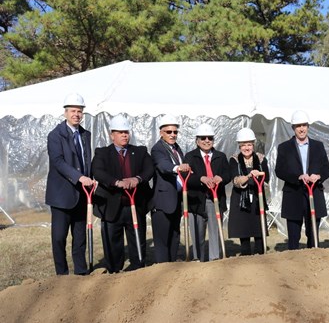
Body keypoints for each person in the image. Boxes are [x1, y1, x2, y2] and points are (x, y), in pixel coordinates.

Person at [92, 115, 154, 272]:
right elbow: (97, 172)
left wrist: (137, 178)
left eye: (126, 132)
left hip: (135, 204)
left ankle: (137, 268)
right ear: (112, 135)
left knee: (137, 239)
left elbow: (149, 169)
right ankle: (114, 270)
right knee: (113, 241)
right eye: (120, 132)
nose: (124, 135)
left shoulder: (139, 151)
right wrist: (117, 182)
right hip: (112, 205)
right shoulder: (102, 153)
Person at [46, 93, 94, 275]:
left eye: (80, 111)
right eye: (73, 111)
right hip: (61, 195)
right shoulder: (55, 135)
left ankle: (80, 272)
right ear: (65, 113)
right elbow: (58, 162)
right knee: (59, 237)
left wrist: (90, 177)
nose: (76, 114)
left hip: (82, 193)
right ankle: (62, 273)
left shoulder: (85, 135)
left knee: (80, 236)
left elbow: (86, 161)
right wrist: (79, 177)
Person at [275, 110, 329, 250]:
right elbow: (279, 170)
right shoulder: (284, 147)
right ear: (293, 128)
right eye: (298, 126)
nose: (301, 129)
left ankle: (313, 265)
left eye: (304, 125)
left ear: (308, 126)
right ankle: (295, 268)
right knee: (294, 237)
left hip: (314, 194)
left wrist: (318, 176)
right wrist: (297, 177)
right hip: (293, 195)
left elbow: (327, 168)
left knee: (313, 235)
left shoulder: (318, 146)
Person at [184, 123, 231, 261]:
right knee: (197, 233)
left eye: (209, 138)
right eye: (203, 138)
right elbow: (187, 178)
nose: (206, 141)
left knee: (215, 232)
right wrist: (201, 178)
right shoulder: (190, 156)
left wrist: (220, 178)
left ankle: (214, 260)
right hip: (196, 200)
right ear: (197, 140)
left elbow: (228, 173)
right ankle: (198, 260)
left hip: (214, 200)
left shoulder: (220, 156)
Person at [151, 114, 191, 263]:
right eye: (169, 132)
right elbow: (163, 165)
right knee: (162, 239)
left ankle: (172, 268)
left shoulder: (176, 148)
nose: (173, 135)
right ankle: (163, 269)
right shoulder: (157, 149)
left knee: (174, 235)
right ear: (161, 132)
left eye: (175, 132)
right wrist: (177, 167)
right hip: (163, 201)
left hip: (176, 199)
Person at [228, 128, 270, 255]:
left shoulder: (261, 159)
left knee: (258, 227)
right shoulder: (234, 160)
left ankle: (260, 252)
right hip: (241, 198)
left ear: (253, 144)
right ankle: (245, 253)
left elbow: (266, 177)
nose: (247, 148)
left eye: (249, 144)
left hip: (257, 198)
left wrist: (259, 174)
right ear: (239, 146)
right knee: (244, 228)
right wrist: (249, 176)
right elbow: (235, 179)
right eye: (244, 145)